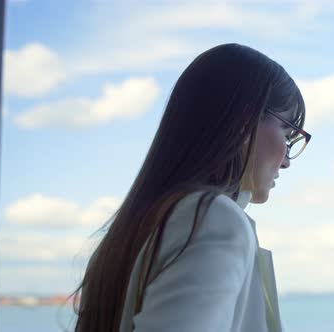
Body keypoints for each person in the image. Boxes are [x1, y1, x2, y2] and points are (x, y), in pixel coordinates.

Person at [72, 43, 310, 332]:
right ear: (246, 121)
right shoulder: (213, 218)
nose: (286, 160)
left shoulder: (128, 235)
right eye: (287, 134)